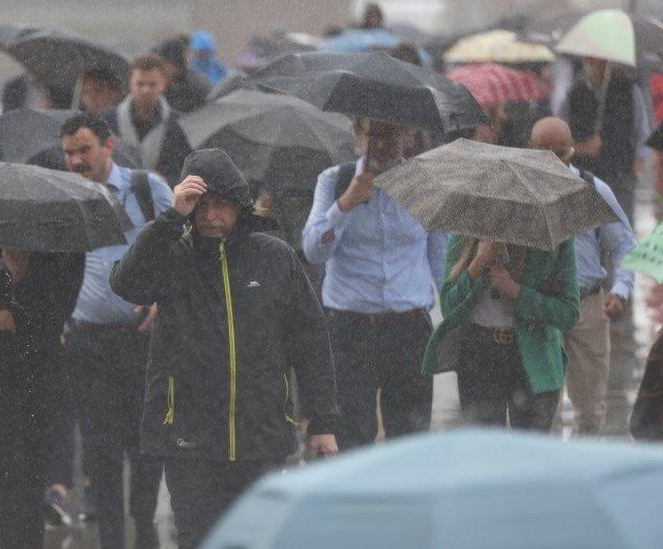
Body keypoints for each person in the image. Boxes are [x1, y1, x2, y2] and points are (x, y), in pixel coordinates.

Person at [111, 149, 339, 548]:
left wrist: (322, 421)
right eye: (200, 207)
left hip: (262, 438)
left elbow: (310, 339)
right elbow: (127, 284)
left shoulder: (274, 257)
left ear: (239, 207)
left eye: (220, 206)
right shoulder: (173, 255)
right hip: (189, 440)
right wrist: (169, 218)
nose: (210, 217)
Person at [60, 113, 173, 549]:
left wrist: (162, 297)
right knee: (100, 448)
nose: (75, 160)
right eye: (69, 152)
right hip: (88, 340)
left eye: (84, 150)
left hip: (140, 339)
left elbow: (177, 250)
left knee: (145, 445)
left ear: (108, 146)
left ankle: (144, 529)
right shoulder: (67, 197)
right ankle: (110, 537)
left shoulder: (147, 189)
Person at [302, 119, 446, 450]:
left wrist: (454, 319)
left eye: (390, 135)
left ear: (408, 136)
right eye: (372, 136)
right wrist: (345, 204)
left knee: (411, 440)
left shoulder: (425, 184)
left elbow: (440, 258)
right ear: (357, 136)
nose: (379, 145)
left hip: (408, 329)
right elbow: (313, 250)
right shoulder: (334, 181)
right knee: (353, 438)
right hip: (350, 329)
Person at [0, 247, 84, 548]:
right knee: (4, 462)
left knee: (33, 466)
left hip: (41, 368)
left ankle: (25, 540)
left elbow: (58, 308)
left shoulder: (62, 249)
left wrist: (21, 285)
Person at [528, 117, 635, 436]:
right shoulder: (521, 196)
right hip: (540, 308)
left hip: (587, 305)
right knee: (544, 413)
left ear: (572, 152)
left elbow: (624, 245)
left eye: (561, 154)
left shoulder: (593, 189)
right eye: (545, 155)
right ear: (530, 152)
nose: (555, 163)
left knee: (590, 413)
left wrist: (620, 288)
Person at [423, 227, 579, 431]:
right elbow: (448, 307)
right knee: (485, 453)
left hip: (534, 356)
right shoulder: (466, 232)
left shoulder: (555, 236)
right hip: (480, 353)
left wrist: (516, 292)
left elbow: (569, 313)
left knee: (529, 456)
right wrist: (477, 263)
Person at [566, 57, 644, 219]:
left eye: (606, 61)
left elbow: (641, 127)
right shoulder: (575, 93)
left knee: (621, 225)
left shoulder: (627, 90)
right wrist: (583, 148)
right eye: (597, 61)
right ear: (588, 61)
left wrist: (639, 158)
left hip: (620, 172)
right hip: (586, 175)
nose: (603, 66)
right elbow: (562, 139)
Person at [101, 53, 192, 186]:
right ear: (130, 83)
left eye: (152, 85)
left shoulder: (178, 124)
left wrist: (164, 180)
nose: (145, 90)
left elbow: (185, 170)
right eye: (140, 84)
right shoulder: (108, 120)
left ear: (163, 85)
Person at [156, 38, 211, 113]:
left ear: (174, 63)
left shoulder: (193, 86)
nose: (162, 69)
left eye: (164, 63)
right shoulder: (160, 83)